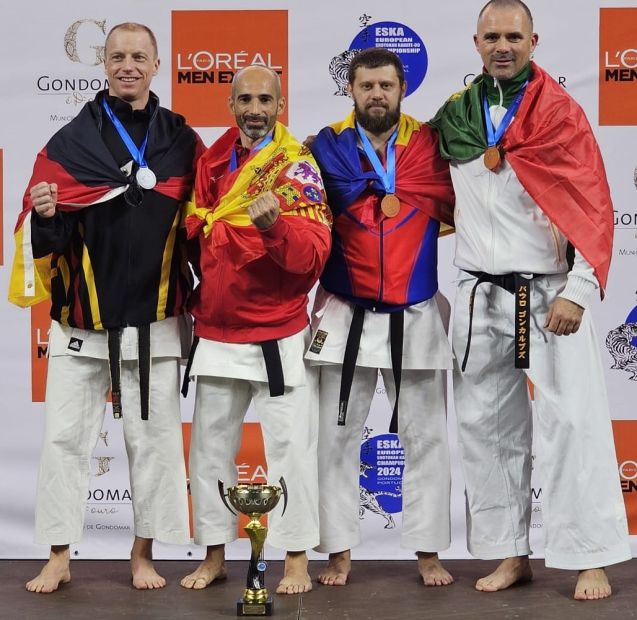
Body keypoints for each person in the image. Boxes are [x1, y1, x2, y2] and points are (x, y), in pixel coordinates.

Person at [429, 0, 631, 600]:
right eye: (492, 35)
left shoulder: (560, 115)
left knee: (573, 422)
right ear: (475, 42)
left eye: (513, 36)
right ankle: (508, 552)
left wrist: (579, 289)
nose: (502, 45)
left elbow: (591, 204)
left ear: (534, 40)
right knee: (488, 427)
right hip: (479, 293)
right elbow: (430, 190)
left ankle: (589, 556)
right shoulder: (456, 116)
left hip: (547, 294)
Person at [9, 23, 202, 593]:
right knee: (65, 442)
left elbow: (204, 223)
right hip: (81, 324)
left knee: (156, 443)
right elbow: (42, 229)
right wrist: (46, 215)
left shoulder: (180, 141)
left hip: (157, 318)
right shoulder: (71, 140)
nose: (128, 65)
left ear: (156, 63)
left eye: (138, 56)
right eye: (117, 56)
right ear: (104, 63)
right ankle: (59, 554)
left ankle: (143, 554)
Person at [179, 65, 331, 595]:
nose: (254, 109)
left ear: (281, 104)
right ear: (229, 103)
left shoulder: (296, 167)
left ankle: (294, 561)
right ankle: (215, 553)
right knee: (209, 452)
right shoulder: (213, 159)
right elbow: (197, 236)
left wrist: (274, 227)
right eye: (244, 98)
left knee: (290, 449)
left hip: (275, 333)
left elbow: (312, 257)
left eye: (265, 99)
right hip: (218, 329)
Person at [306, 48, 456, 587]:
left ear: (402, 90)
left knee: (427, 438)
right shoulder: (323, 147)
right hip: (345, 312)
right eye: (366, 86)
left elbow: (462, 207)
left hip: (414, 314)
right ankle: (338, 549)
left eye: (385, 86)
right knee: (335, 437)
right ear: (351, 89)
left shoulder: (431, 148)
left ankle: (428, 550)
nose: (376, 95)